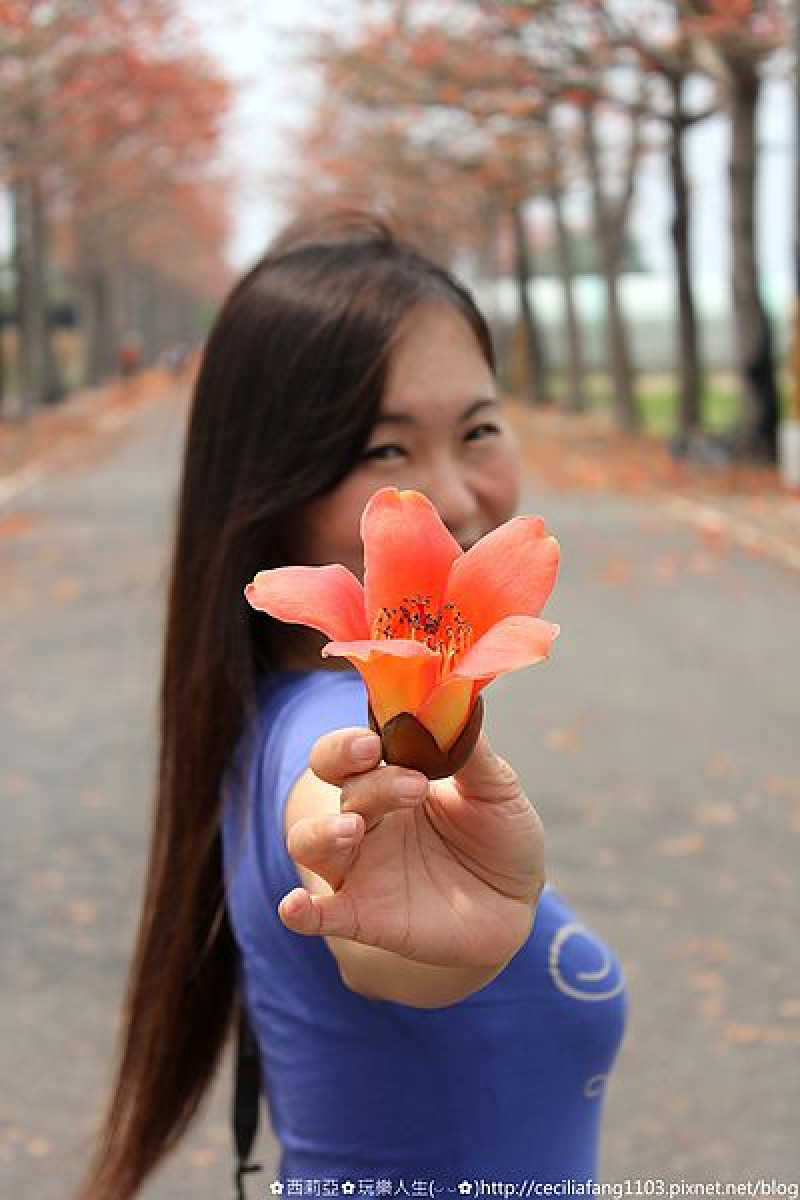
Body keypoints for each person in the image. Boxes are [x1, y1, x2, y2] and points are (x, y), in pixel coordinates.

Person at [77, 212, 627, 1200]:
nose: (450, 498)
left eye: (478, 428)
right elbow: (343, 842)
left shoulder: (266, 701)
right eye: (383, 451)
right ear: (272, 487)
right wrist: (380, 887)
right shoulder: (320, 733)